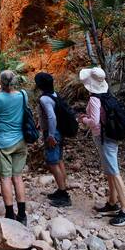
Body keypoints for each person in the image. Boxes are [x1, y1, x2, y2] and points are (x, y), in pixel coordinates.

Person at [79, 66, 125, 227]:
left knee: (114, 172)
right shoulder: (106, 96)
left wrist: (84, 119)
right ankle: (112, 202)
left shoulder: (94, 99)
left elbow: (95, 121)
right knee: (109, 170)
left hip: (104, 138)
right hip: (110, 137)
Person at [0, 70, 28, 225]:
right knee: (18, 177)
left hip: (3, 143)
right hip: (20, 141)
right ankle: (22, 215)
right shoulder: (23, 95)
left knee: (5, 178)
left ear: (1, 82)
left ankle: (10, 215)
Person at [34, 72, 71, 207]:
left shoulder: (44, 99)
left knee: (52, 162)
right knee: (59, 160)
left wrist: (50, 135)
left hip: (53, 132)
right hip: (59, 130)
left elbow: (51, 117)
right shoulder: (54, 95)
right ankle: (63, 187)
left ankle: (63, 195)